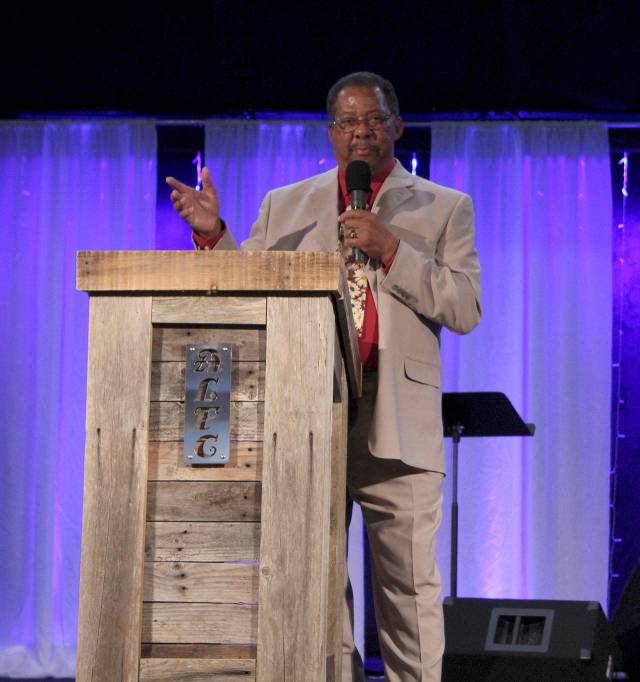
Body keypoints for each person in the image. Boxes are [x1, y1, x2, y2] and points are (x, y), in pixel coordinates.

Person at [166, 71, 482, 682]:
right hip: (308, 414)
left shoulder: (445, 207)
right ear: (331, 132)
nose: (361, 133)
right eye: (348, 123)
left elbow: (464, 307)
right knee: (316, 592)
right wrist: (213, 235)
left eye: (373, 120)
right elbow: (249, 298)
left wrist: (391, 247)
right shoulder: (286, 204)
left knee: (410, 593)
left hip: (399, 421)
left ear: (398, 126)